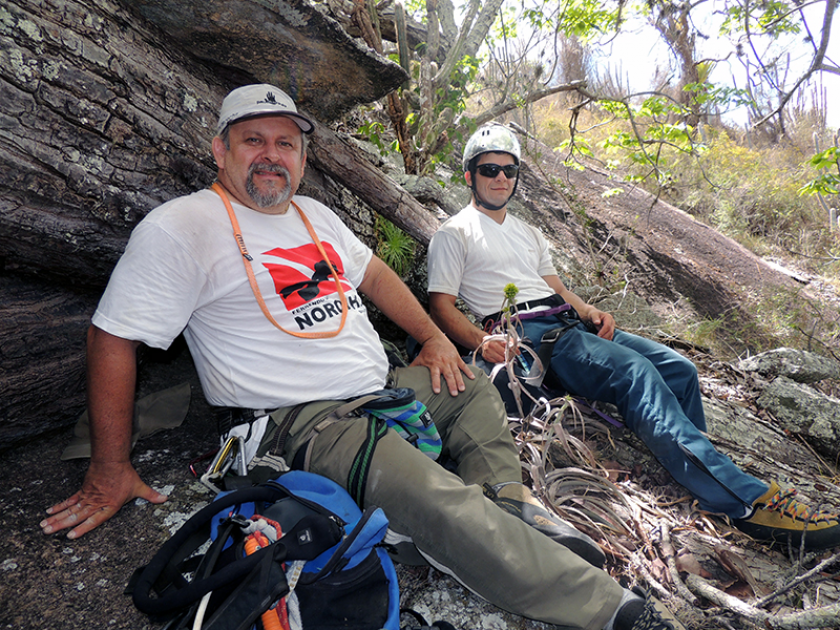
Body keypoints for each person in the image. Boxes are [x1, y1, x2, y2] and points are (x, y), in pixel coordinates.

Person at [40, 84, 684, 630]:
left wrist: (434, 338)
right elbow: (113, 336)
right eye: (253, 140)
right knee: (439, 502)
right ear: (220, 149)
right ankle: (614, 611)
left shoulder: (314, 214)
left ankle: (510, 501)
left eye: (285, 143)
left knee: (470, 390)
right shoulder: (182, 227)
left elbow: (375, 276)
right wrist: (109, 467)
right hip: (300, 420)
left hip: (380, 385)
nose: (271, 156)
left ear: (302, 155)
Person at [427, 123, 840, 552]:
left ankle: (698, 468)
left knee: (680, 370)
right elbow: (442, 306)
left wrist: (589, 310)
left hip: (569, 321)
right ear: (469, 174)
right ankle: (744, 501)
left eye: (509, 171)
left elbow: (554, 285)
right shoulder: (453, 233)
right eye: (490, 168)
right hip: (530, 333)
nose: (500, 178)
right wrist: (480, 340)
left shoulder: (528, 232)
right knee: (635, 373)